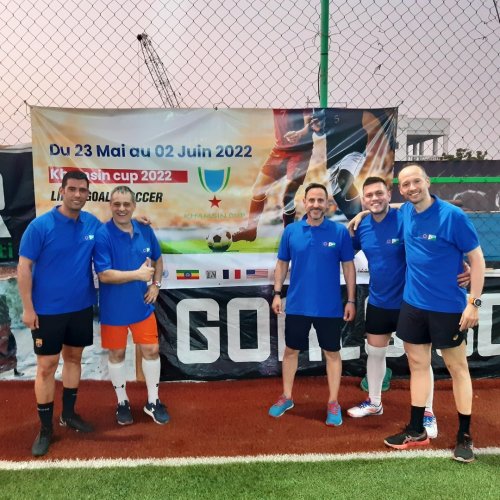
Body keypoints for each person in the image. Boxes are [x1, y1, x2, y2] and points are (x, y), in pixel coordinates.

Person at [383, 164, 485, 463]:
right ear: (401, 190)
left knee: (457, 368)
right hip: (413, 305)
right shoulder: (405, 211)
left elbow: (477, 259)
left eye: (416, 181)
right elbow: (389, 208)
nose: (411, 188)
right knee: (417, 365)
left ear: (427, 182)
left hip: (448, 307)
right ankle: (416, 430)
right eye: (405, 184)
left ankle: (464, 435)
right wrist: (363, 214)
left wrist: (474, 303)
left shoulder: (453, 216)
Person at [346, 177, 442, 435]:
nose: (374, 199)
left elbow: (425, 206)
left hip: (410, 303)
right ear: (363, 199)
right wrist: (361, 216)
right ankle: (374, 402)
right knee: (375, 353)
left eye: (379, 193)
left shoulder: (405, 217)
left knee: (419, 360)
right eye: (369, 196)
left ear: (389, 194)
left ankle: (428, 412)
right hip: (378, 302)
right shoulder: (362, 226)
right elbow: (346, 254)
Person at [18, 171, 100, 457]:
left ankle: (69, 414)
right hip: (47, 311)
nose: (77, 194)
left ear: (88, 194)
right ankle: (45, 428)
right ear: (61, 191)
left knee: (74, 359)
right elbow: (24, 267)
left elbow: (116, 230)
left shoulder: (92, 223)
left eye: (82, 190)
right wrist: (28, 308)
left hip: (80, 307)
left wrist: (139, 223)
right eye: (72, 189)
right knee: (46, 366)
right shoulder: (40, 226)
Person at [269, 182, 356, 426]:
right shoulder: (291, 231)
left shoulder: (339, 232)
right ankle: (287, 397)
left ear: (327, 204)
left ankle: (333, 402)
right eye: (312, 200)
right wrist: (277, 293)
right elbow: (282, 264)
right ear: (304, 203)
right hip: (297, 305)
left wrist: (351, 300)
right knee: (291, 351)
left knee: (332, 354)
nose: (316, 205)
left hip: (329, 307)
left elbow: (349, 267)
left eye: (320, 200)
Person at [93, 186, 168, 426]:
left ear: (134, 206)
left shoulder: (145, 229)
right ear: (110, 206)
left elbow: (158, 258)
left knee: (152, 350)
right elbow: (104, 275)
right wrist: (137, 275)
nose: (122, 208)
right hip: (113, 310)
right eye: (117, 204)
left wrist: (156, 285)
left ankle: (153, 401)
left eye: (126, 204)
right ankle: (122, 402)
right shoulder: (102, 235)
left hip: (141, 306)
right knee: (117, 354)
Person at [233, 109, 313, 242]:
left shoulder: (303, 102)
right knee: (258, 189)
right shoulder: (276, 103)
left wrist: (299, 133)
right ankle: (250, 231)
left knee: (287, 197)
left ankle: (289, 237)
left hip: (301, 151)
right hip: (280, 150)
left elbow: (309, 126)